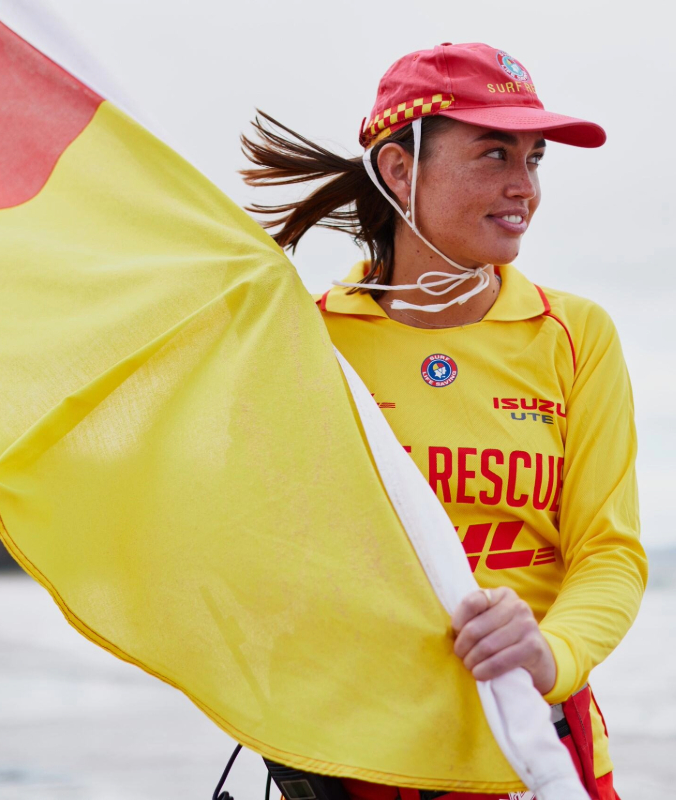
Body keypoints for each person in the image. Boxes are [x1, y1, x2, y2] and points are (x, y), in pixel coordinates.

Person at [240, 42, 647, 800]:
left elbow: (609, 553)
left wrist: (548, 651)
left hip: (535, 743)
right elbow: (263, 556)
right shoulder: (309, 340)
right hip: (359, 752)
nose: (522, 186)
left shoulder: (575, 335)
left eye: (533, 159)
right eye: (494, 154)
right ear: (400, 169)